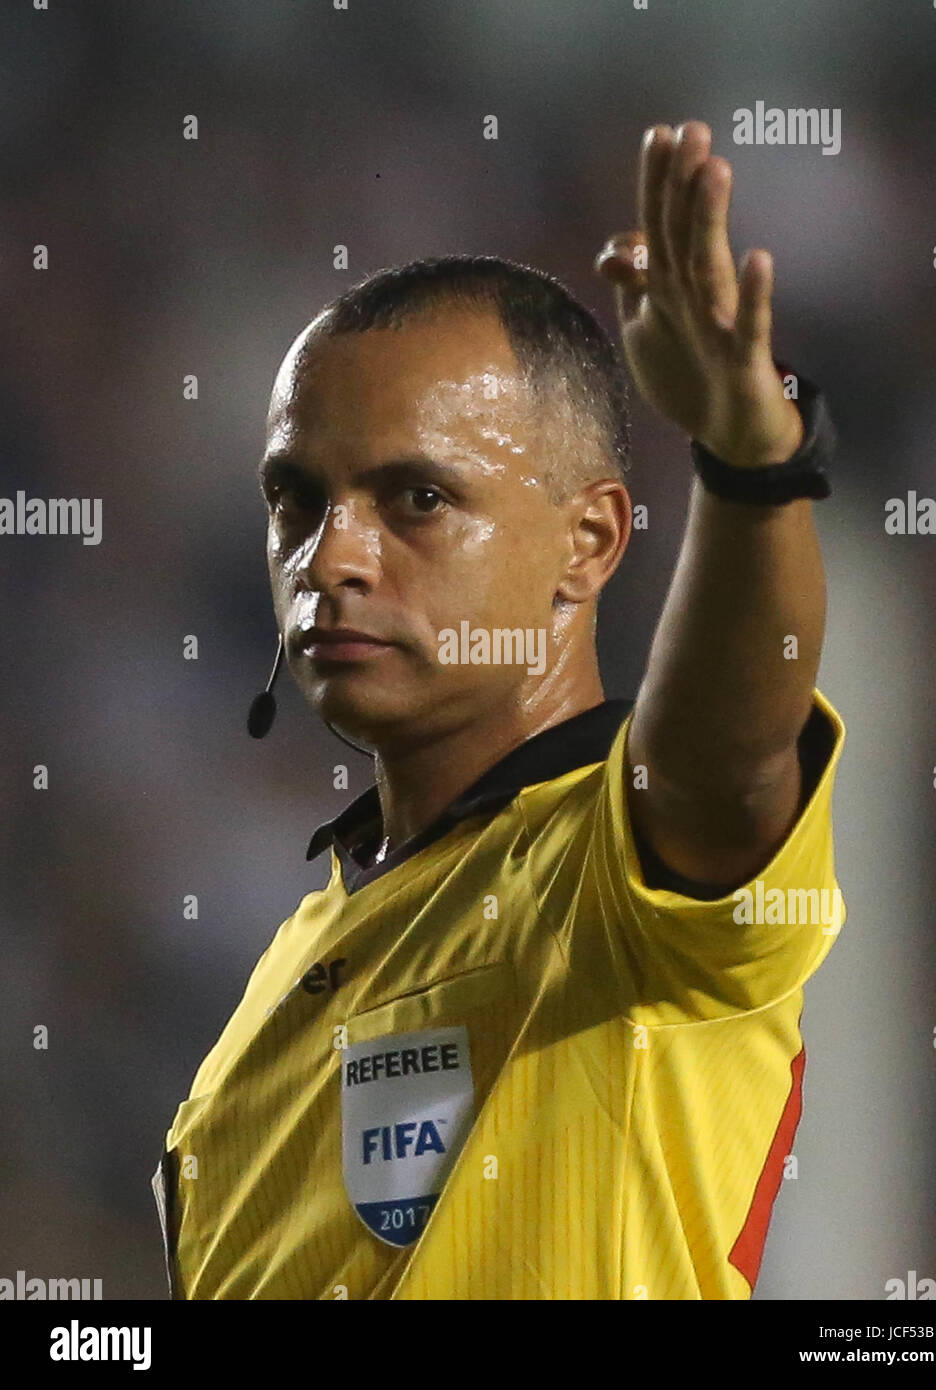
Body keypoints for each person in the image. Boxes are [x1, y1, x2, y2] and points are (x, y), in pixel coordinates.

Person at [152, 120, 846, 1299]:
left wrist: (752, 462)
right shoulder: (252, 1028)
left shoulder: (621, 880)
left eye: (416, 497)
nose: (332, 559)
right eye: (297, 499)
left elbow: (722, 763)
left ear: (590, 543)